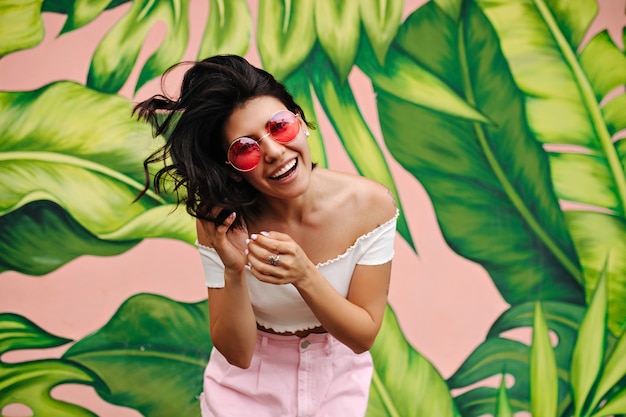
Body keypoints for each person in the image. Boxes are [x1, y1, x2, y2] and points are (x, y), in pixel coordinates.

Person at [134, 55, 398, 417]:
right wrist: (233, 270)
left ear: (301, 121)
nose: (273, 152)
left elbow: (362, 336)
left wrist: (304, 275)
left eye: (279, 126)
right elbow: (238, 355)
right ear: (232, 171)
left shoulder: (370, 205)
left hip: (337, 383)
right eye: (245, 149)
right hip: (243, 392)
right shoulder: (222, 220)